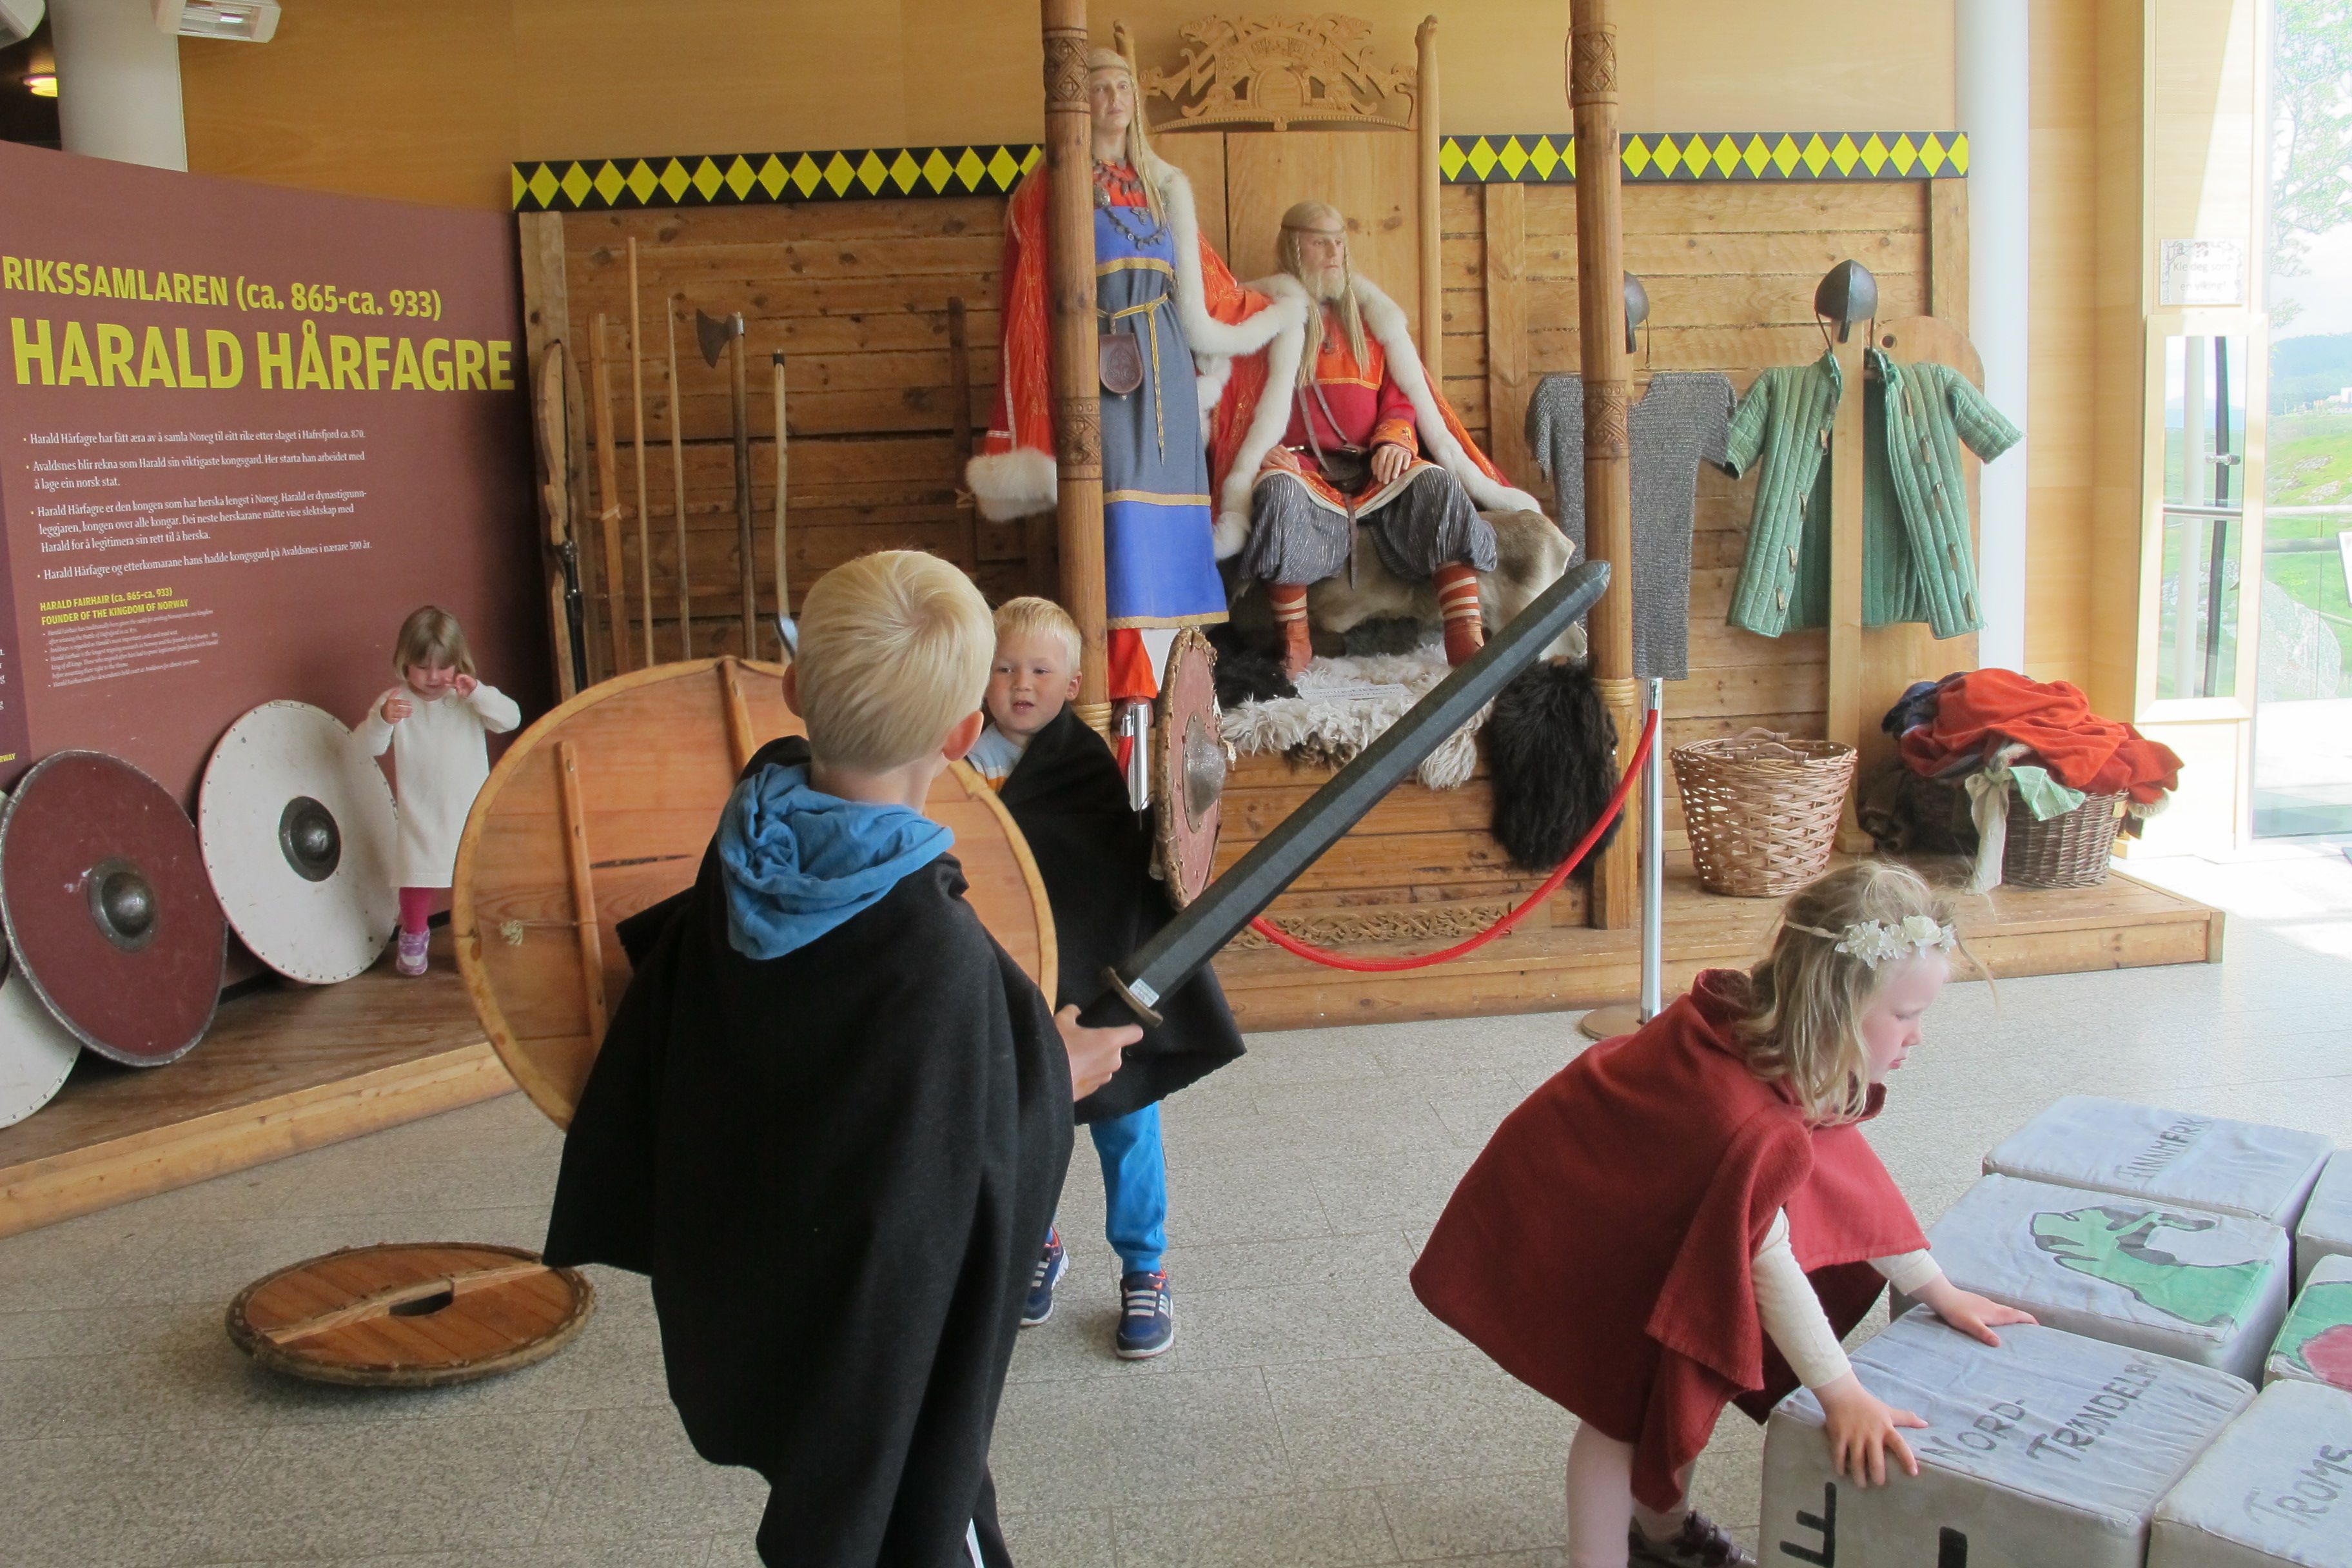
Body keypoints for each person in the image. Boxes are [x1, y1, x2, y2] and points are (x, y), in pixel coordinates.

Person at [542, 552, 1142, 1568]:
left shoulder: (744, 843)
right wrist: (1052, 1070)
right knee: (916, 1518)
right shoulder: (936, 951)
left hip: (766, 1286)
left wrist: (1020, 1052)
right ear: (963, 736)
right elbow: (950, 1162)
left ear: (791, 689)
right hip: (871, 1334)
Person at [1410, 863, 2035, 1568]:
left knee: (1675, 1382)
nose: (1917, 1036)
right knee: (1622, 1408)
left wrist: (1938, 1290)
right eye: (1906, 1014)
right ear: (1835, 1005)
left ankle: (1663, 1537)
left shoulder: (1780, 1039)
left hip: (1645, 1186)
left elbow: (1846, 1189)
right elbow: (1768, 1261)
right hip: (1585, 1197)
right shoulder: (1747, 1118)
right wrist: (1841, 1392)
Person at [968, 46, 1299, 708]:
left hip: (1168, 368)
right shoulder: (1051, 186)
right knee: (1118, 518)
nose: (1114, 98)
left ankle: (1182, 684)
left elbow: (1210, 290)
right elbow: (1029, 299)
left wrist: (1283, 305)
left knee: (1176, 519)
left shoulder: (1162, 184)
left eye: (1123, 86)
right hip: (1101, 366)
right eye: (1099, 87)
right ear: (1077, 102)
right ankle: (1126, 687)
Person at [967, 596, 1246, 1360]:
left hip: (1095, 982)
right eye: (1004, 668)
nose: (1021, 684)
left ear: (1071, 684)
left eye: (1040, 670)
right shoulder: (959, 765)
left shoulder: (1085, 764)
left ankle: (1144, 1265)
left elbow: (1110, 869)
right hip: (1010, 979)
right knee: (1021, 1118)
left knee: (1127, 1124)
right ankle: (1037, 1242)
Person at [1210, 201, 1545, 676]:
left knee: (1437, 484)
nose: (1334, 253)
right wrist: (1263, 451)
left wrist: (1395, 439)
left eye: (1340, 242)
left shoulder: (1372, 318)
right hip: (1302, 471)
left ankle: (1465, 635)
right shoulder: (1266, 316)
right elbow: (1235, 403)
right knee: (1278, 494)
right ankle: (1295, 641)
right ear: (1293, 247)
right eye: (1320, 243)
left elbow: (1403, 394)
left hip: (1374, 469)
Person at [354, 605, 520, 976]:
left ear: (458, 661)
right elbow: (365, 748)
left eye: (443, 666)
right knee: (416, 876)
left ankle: (472, 939)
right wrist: (382, 720)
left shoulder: (467, 697)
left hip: (469, 809)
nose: (432, 677)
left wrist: (479, 694)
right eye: (421, 666)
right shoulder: (395, 701)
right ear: (404, 662)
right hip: (421, 812)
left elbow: (511, 719)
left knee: (471, 880)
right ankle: (415, 932)